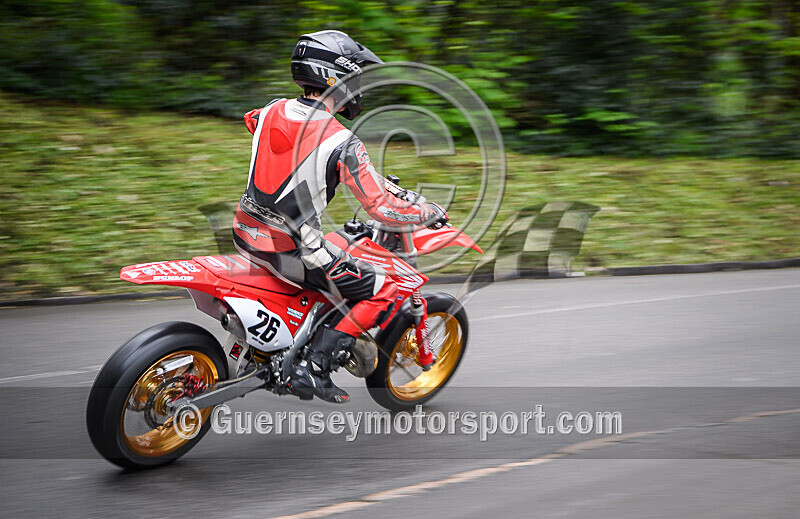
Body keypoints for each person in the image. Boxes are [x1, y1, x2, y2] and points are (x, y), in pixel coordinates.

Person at [232, 30, 446, 403]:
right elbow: (379, 207)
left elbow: (256, 123)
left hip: (244, 230)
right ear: (338, 76)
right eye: (356, 75)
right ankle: (313, 366)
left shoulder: (269, 111)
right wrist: (425, 211)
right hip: (293, 248)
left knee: (337, 259)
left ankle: (294, 339)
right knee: (383, 288)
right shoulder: (343, 142)